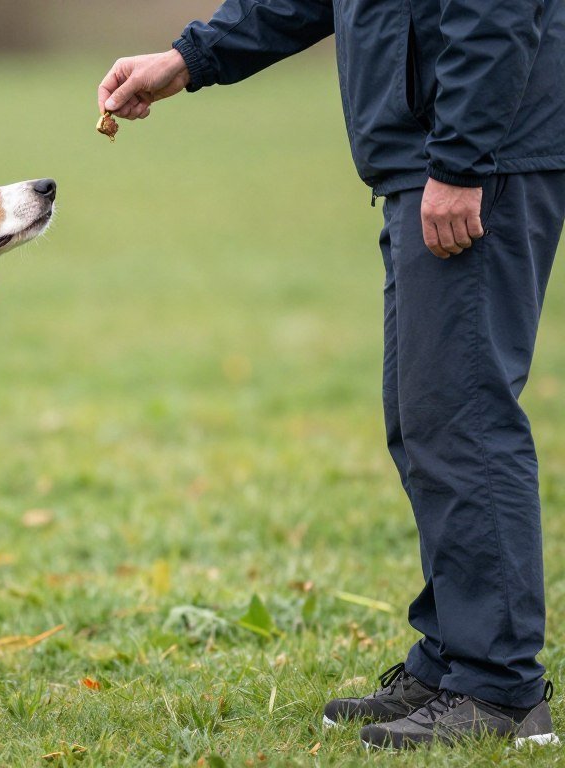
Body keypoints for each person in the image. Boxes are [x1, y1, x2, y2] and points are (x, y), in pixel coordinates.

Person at [97, 0, 565, 751]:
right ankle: (454, 659)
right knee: (424, 421)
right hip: (429, 153)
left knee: (462, 418)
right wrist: (188, 58)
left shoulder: (464, 158)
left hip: (473, 156)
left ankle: (498, 689)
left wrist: (462, 159)